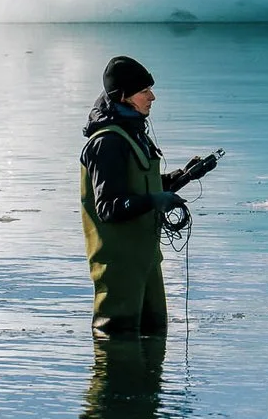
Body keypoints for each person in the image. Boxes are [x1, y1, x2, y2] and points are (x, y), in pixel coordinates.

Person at [78, 54, 217, 338]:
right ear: (124, 96)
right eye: (144, 91)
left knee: (156, 334)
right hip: (118, 267)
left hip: (146, 260)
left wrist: (184, 177)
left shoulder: (134, 133)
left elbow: (139, 188)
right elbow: (108, 207)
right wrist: (155, 201)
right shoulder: (107, 142)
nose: (152, 96)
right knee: (116, 339)